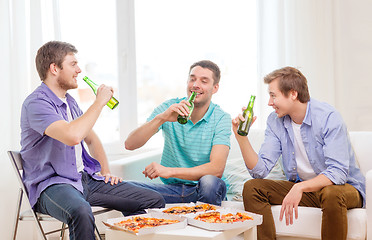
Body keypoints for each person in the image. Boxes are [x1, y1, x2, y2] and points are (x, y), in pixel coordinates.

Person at [20, 41, 165, 240]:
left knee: (151, 200)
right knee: (81, 211)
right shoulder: (36, 103)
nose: (79, 70)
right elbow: (73, 136)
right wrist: (99, 102)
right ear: (54, 68)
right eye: (73, 64)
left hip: (85, 180)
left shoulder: (69, 102)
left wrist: (105, 172)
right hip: (52, 186)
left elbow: (92, 139)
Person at [232, 66, 365, 240]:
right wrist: (241, 137)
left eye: (273, 95)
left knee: (331, 194)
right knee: (252, 187)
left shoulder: (328, 117)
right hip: (306, 190)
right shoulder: (275, 121)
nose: (269, 103)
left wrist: (300, 187)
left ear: (293, 94)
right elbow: (259, 171)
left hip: (343, 188)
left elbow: (338, 173)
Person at [125, 60, 231, 206]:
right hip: (173, 190)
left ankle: (203, 222)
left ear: (215, 88)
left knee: (209, 182)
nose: (195, 85)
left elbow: (216, 169)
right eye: (192, 79)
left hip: (205, 189)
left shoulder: (221, 118)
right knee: (125, 190)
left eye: (204, 81)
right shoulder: (169, 107)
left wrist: (169, 171)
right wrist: (162, 118)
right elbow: (130, 144)